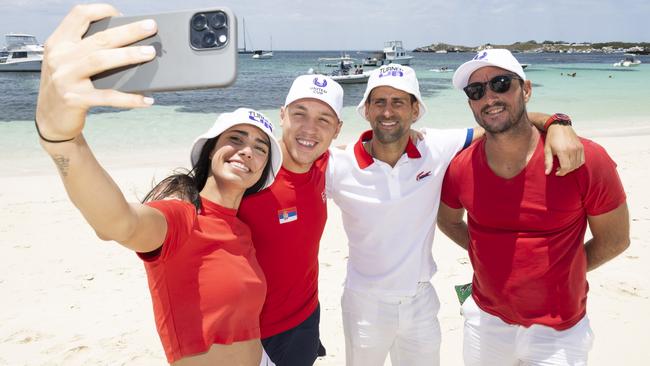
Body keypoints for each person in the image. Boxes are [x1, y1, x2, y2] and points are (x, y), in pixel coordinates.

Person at [35, 5, 283, 365]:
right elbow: (119, 223)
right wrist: (62, 139)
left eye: (260, 148)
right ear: (210, 151)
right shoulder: (182, 219)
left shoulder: (242, 229)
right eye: (236, 139)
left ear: (262, 169)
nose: (247, 151)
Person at [324, 63, 585, 366]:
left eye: (398, 102)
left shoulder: (436, 146)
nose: (387, 112)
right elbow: (291, 174)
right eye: (379, 102)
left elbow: (504, 123)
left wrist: (558, 122)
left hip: (421, 301)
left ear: (414, 111)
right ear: (366, 110)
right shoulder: (337, 165)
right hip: (364, 305)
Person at [437, 48, 630, 365]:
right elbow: (448, 221)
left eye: (501, 83)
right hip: (485, 323)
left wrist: (562, 270)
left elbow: (616, 240)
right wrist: (487, 257)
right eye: (476, 90)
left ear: (526, 89)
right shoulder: (461, 166)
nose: (489, 97)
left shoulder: (585, 160)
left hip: (559, 332)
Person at [238, 74, 343, 366]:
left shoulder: (321, 163)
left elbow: (364, 149)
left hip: (306, 318)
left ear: (337, 130)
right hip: (253, 333)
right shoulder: (250, 174)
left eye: (324, 119)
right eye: (300, 114)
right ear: (282, 115)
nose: (310, 129)